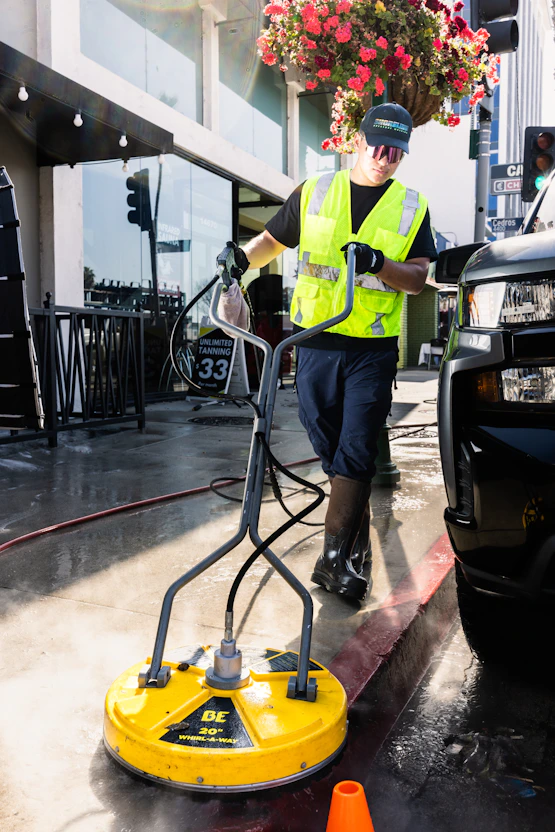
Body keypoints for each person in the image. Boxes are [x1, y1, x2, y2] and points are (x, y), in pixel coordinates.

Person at [217, 102, 438, 601]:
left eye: (397, 152)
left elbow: (419, 279)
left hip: (371, 350)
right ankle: (354, 546)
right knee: (329, 448)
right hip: (313, 342)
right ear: (357, 141)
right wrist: (238, 262)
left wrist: (380, 263)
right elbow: (272, 241)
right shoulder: (316, 191)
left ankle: (334, 560)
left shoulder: (410, 206)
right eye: (378, 146)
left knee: (357, 446)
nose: (385, 158)